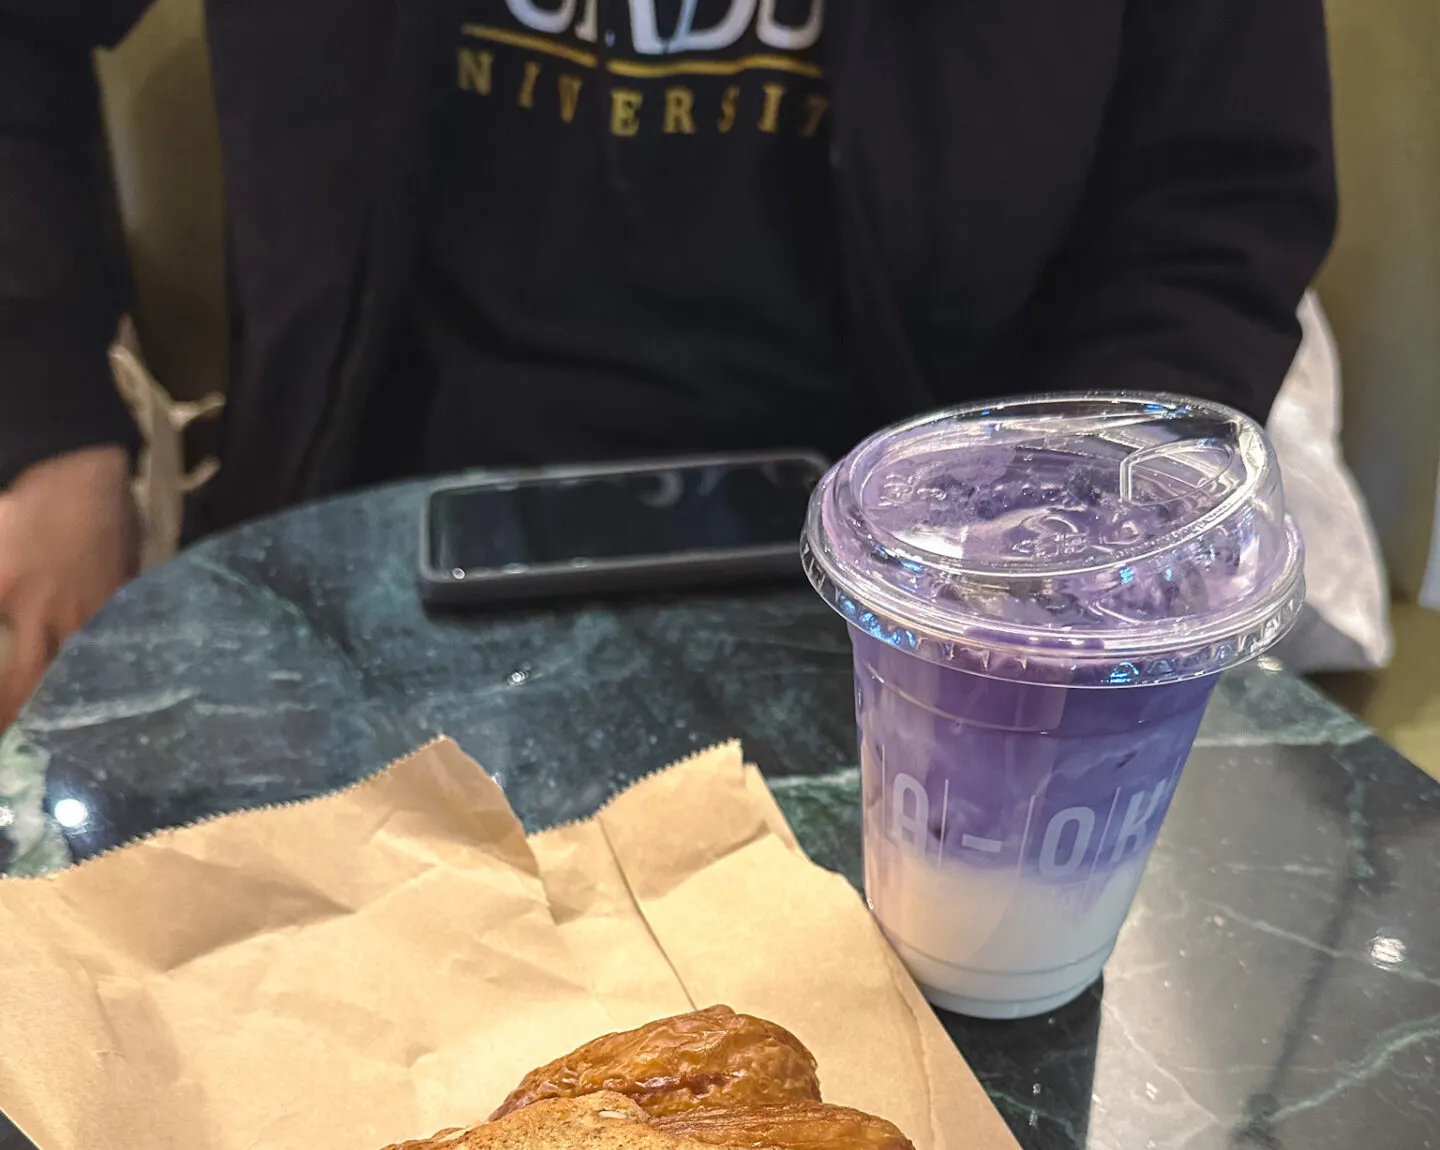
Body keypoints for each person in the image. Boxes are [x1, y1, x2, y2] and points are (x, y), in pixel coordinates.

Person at [0, 0, 1336, 724]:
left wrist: (1071, 562)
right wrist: (47, 416)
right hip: (364, 553)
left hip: (925, 626)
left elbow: (1210, 197)